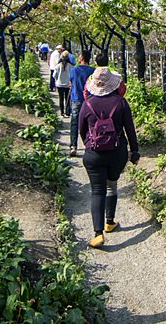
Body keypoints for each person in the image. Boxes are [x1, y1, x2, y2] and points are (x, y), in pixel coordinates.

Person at [79, 66, 139, 249]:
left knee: (97, 191)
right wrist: (134, 151)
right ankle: (110, 221)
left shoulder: (87, 104)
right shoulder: (120, 103)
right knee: (112, 184)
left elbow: (81, 130)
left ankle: (98, 234)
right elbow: (130, 129)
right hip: (117, 153)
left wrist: (90, 144)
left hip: (94, 155)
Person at [68, 50, 95, 157]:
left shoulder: (74, 70)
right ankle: (89, 145)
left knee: (74, 122)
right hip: (89, 100)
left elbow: (71, 83)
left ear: (82, 58)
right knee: (89, 124)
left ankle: (73, 146)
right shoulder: (93, 71)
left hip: (76, 99)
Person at [54, 50, 72, 116]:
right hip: (67, 84)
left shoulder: (58, 65)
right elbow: (72, 75)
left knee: (61, 99)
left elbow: (54, 75)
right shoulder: (70, 66)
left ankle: (62, 112)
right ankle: (67, 112)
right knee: (67, 99)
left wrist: (56, 80)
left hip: (59, 84)